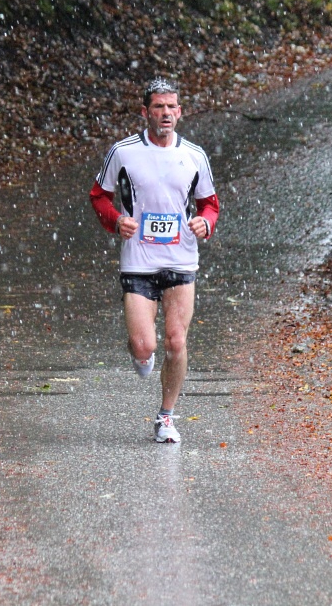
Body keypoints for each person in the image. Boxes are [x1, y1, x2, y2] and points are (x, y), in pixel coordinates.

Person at [89, 77, 220, 443]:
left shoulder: (194, 155)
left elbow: (210, 203)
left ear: (180, 112)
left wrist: (204, 222)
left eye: (172, 107)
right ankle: (140, 352)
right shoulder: (124, 152)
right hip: (138, 261)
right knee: (145, 346)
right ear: (145, 112)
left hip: (181, 260)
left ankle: (166, 417)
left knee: (176, 341)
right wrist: (116, 221)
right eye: (158, 107)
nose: (166, 114)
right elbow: (99, 196)